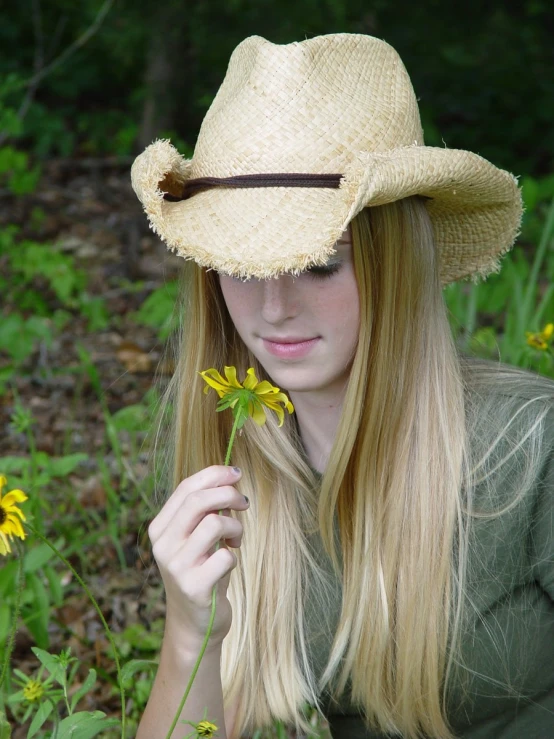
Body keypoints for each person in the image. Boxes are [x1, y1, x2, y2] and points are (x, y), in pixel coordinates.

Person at [131, 33, 554, 739]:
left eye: (321, 264)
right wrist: (189, 635)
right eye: (241, 265)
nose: (273, 308)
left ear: (396, 261)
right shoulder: (239, 468)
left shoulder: (528, 451)